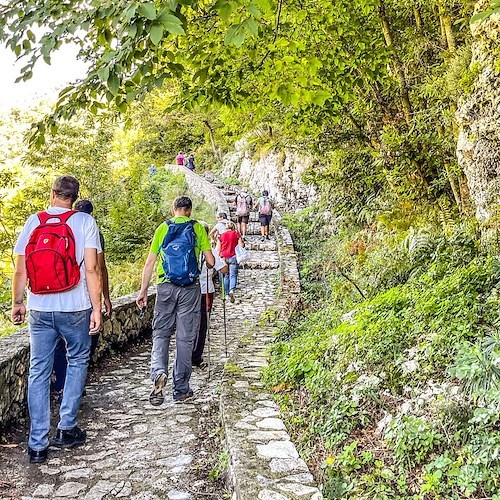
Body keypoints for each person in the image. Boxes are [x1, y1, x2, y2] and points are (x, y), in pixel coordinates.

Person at [11, 175, 102, 464]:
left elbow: (20, 269)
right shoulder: (84, 222)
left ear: (52, 194)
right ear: (74, 197)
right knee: (77, 361)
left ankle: (37, 445)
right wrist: (97, 308)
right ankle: (66, 428)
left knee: (39, 370)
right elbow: (92, 269)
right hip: (75, 306)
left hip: (39, 307)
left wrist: (18, 302)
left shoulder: (33, 221)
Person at [136, 196, 215, 405]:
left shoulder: (163, 228)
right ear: (189, 211)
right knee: (185, 338)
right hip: (189, 289)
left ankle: (158, 372)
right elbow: (211, 261)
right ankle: (180, 389)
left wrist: (143, 291)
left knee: (161, 333)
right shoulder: (197, 228)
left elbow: (149, 262)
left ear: (174, 210)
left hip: (165, 286)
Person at [52, 199, 112, 396]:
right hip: (84, 298)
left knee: (61, 343)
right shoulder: (92, 230)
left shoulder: (58, 227)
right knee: (86, 342)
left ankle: (62, 382)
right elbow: (99, 268)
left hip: (54, 297)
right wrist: (105, 298)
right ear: (91, 214)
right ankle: (74, 386)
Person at [192, 222, 228, 367]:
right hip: (205, 291)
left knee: (188, 323)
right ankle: (195, 357)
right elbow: (224, 270)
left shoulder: (188, 249)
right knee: (202, 324)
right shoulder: (210, 251)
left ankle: (184, 356)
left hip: (188, 291)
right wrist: (224, 262)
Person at [216, 221, 244, 303]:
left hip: (224, 257)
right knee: (233, 275)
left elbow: (218, 248)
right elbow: (241, 245)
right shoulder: (236, 234)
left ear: (226, 227)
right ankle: (232, 290)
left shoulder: (221, 236)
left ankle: (227, 294)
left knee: (226, 276)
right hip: (233, 256)